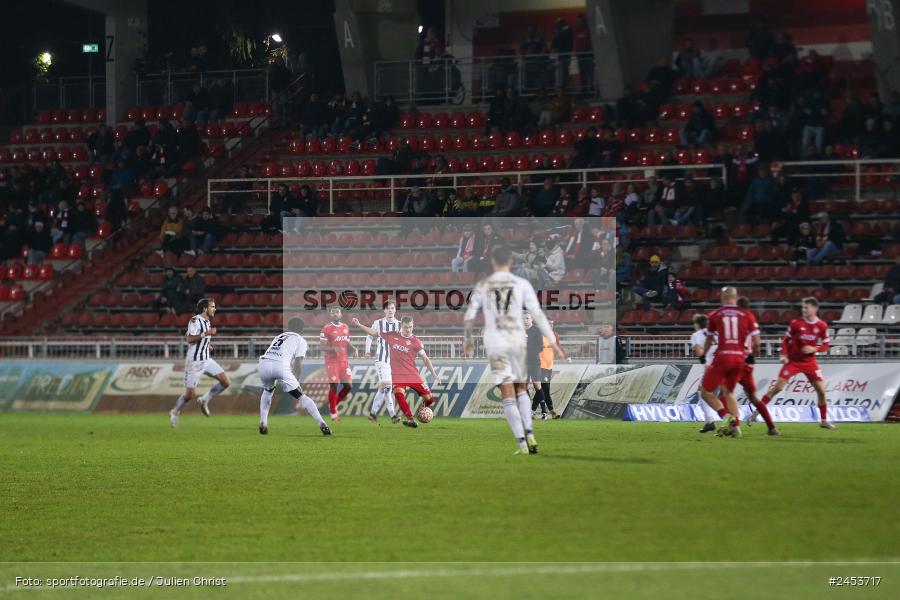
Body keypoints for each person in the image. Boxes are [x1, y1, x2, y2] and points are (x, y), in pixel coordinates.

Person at [463, 245, 563, 455]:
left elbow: (470, 314)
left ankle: (521, 443)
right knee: (521, 389)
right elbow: (538, 313)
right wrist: (552, 341)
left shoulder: (484, 285)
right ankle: (530, 432)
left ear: (493, 263)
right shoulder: (521, 283)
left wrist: (468, 339)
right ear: (510, 262)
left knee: (507, 394)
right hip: (517, 340)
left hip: (496, 342)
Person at [751, 297, 835, 429]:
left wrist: (815, 348)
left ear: (814, 309)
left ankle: (824, 420)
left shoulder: (822, 326)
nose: (804, 310)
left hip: (810, 363)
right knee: (777, 388)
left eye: (806, 308)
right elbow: (786, 339)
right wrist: (783, 354)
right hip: (793, 362)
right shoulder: (796, 323)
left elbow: (826, 345)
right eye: (803, 307)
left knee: (822, 392)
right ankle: (756, 413)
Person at [352, 315, 440, 428]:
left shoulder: (415, 341)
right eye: (406, 327)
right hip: (397, 374)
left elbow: (425, 358)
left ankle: (421, 410)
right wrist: (359, 325)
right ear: (401, 326)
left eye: (410, 327)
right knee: (398, 393)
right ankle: (410, 419)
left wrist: (434, 374)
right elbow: (373, 332)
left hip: (413, 374)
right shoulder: (392, 335)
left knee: (429, 399)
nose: (408, 329)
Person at [698, 286, 760, 438]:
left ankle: (726, 417)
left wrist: (704, 354)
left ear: (722, 297)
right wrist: (752, 355)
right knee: (728, 392)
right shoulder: (747, 314)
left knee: (705, 391)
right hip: (739, 359)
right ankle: (735, 428)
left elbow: (710, 338)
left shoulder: (715, 315)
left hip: (723, 357)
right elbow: (757, 341)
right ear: (736, 296)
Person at [257, 317, 332, 436]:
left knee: (267, 391)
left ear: (288, 327)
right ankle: (322, 424)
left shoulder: (279, 336)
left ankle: (263, 422)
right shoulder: (300, 340)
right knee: (301, 396)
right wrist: (296, 379)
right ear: (302, 329)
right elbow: (297, 363)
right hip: (280, 366)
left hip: (264, 364)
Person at [169, 298, 231, 427]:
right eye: (212, 307)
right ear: (205, 309)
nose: (215, 309)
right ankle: (175, 412)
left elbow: (197, 337)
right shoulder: (195, 320)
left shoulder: (207, 321)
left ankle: (204, 400)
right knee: (190, 394)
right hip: (194, 362)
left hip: (206, 359)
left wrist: (208, 346)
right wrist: (207, 333)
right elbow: (190, 339)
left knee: (226, 382)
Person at [362, 299, 400, 423]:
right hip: (381, 359)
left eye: (392, 308)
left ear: (395, 310)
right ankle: (393, 415)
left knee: (385, 387)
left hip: (394, 362)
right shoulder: (378, 323)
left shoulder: (400, 325)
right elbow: (369, 336)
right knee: (387, 386)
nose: (390, 310)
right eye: (388, 308)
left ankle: (373, 414)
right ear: (384, 310)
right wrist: (367, 350)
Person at [320, 307, 359, 422]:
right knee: (334, 385)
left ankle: (333, 404)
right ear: (330, 315)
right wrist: (335, 349)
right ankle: (333, 412)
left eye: (337, 312)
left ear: (341, 314)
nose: (335, 314)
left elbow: (346, 342)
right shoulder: (326, 329)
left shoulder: (345, 327)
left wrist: (353, 348)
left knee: (348, 386)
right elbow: (322, 347)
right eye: (333, 312)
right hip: (332, 362)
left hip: (344, 361)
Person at [691, 314, 723, 432]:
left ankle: (713, 420)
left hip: (712, 366)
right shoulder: (716, 333)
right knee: (720, 395)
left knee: (702, 392)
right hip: (725, 363)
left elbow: (699, 350)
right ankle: (719, 420)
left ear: (697, 324)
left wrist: (703, 359)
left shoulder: (696, 335)